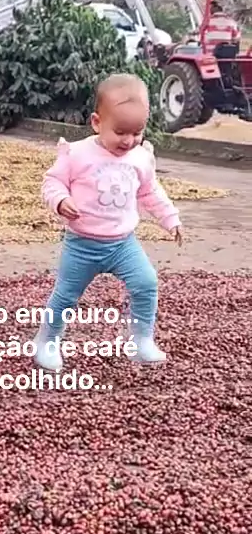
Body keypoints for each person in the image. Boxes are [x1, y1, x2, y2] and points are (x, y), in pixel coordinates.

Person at [34, 73, 183, 373]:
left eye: (137, 132)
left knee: (146, 283)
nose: (128, 141)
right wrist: (61, 200)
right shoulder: (77, 154)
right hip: (81, 245)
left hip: (123, 244)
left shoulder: (140, 158)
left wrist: (170, 218)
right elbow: (52, 183)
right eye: (120, 132)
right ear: (96, 122)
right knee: (66, 295)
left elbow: (150, 191)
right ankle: (46, 341)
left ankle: (141, 339)